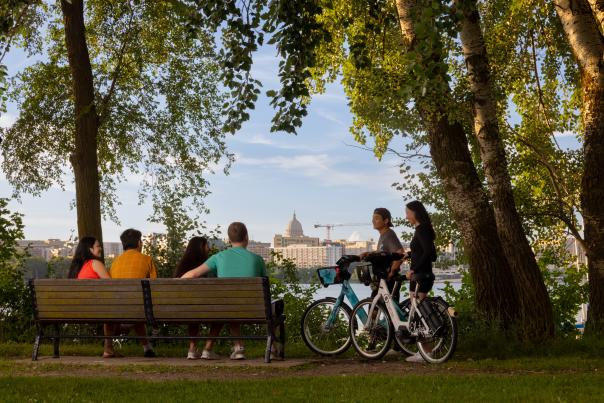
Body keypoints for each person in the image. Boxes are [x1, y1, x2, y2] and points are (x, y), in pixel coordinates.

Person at [181, 222, 266, 360]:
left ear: (229, 239)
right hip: (255, 309)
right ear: (246, 237)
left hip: (228, 308)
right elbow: (265, 286)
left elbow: (192, 275)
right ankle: (273, 349)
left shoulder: (218, 257)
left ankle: (238, 348)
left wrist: (174, 283)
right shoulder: (258, 259)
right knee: (270, 308)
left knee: (231, 305)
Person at [110, 228, 158, 358]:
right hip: (140, 308)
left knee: (134, 305)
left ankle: (145, 345)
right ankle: (146, 345)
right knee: (140, 304)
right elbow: (155, 285)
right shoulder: (147, 259)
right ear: (138, 243)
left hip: (118, 307)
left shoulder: (115, 262)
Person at [68, 236, 115, 358]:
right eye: (98, 246)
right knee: (112, 311)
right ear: (90, 249)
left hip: (77, 310)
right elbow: (113, 287)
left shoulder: (77, 267)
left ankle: (109, 349)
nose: (101, 248)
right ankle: (108, 349)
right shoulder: (95, 264)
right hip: (94, 310)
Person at [403, 200, 437, 363]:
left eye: (408, 212)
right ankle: (424, 352)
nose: (406, 215)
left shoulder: (421, 229)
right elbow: (432, 254)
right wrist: (411, 254)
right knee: (420, 312)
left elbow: (429, 252)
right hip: (425, 275)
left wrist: (413, 269)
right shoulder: (425, 229)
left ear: (415, 213)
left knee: (419, 314)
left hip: (420, 276)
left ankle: (426, 353)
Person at [173, 236, 210, 360]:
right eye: (207, 245)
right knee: (198, 309)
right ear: (201, 248)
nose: (209, 248)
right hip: (201, 310)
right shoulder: (203, 267)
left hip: (179, 309)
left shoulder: (181, 266)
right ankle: (207, 349)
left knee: (193, 309)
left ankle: (192, 349)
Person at [360, 208, 405, 303]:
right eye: (373, 218)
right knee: (381, 310)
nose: (373, 221)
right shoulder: (383, 235)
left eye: (376, 218)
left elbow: (400, 253)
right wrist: (370, 253)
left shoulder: (389, 234)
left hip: (388, 279)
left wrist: (392, 272)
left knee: (376, 310)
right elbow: (384, 253)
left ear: (386, 221)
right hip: (383, 279)